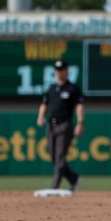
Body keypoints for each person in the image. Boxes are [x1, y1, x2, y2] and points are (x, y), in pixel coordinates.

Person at [37, 60, 84, 192]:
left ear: (66, 71)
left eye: (61, 69)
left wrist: (80, 123)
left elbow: (79, 106)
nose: (59, 72)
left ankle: (55, 185)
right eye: (57, 70)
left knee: (59, 156)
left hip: (65, 124)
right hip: (51, 125)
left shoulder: (72, 88)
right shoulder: (51, 88)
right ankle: (73, 178)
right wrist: (40, 116)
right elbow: (44, 103)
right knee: (53, 155)